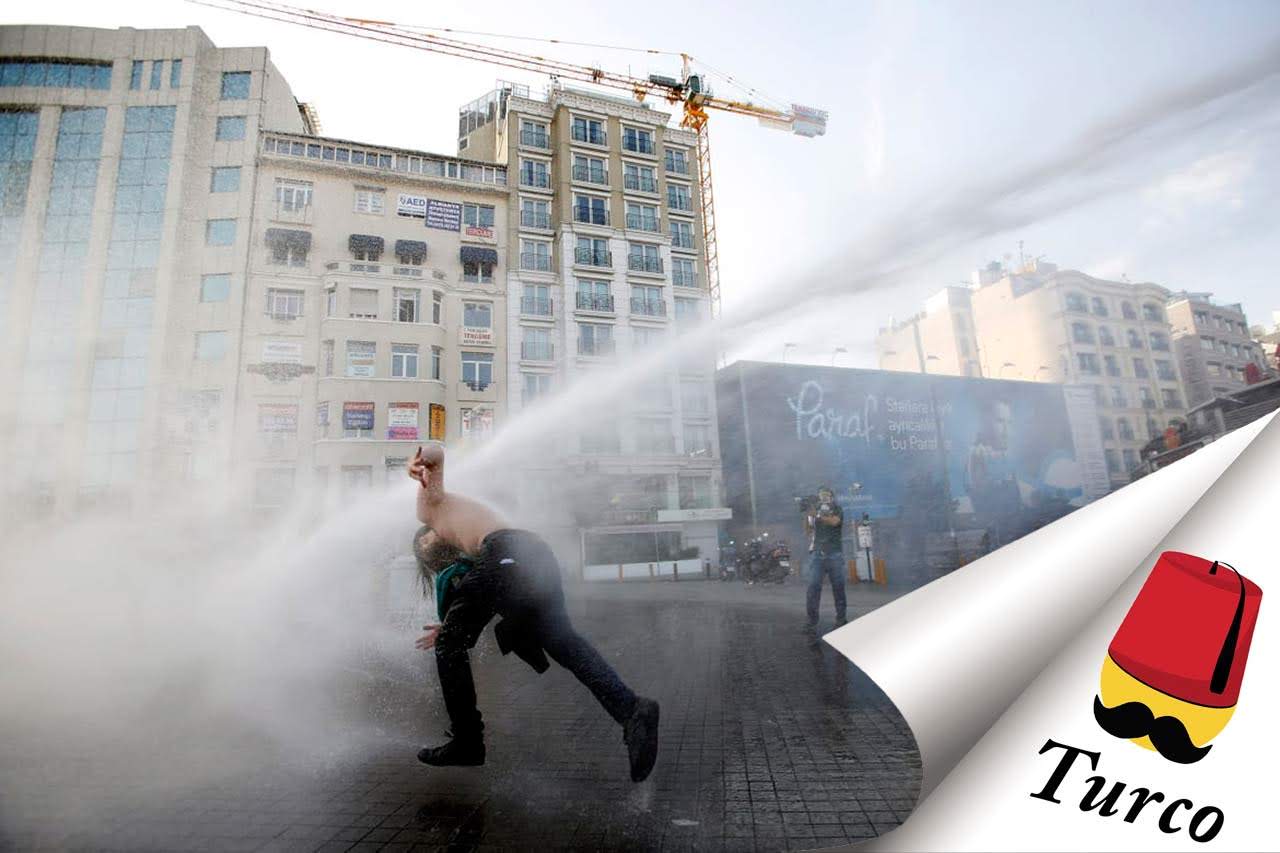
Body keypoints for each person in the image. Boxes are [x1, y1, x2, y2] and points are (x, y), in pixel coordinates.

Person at [407, 444, 660, 783]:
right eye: (424, 552)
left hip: (508, 550)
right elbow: (483, 596)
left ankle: (467, 741)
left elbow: (436, 454)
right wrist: (453, 626)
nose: (426, 546)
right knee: (564, 644)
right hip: (532, 553)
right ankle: (632, 710)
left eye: (422, 542)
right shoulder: (471, 555)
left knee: (451, 645)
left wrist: (422, 460)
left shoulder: (432, 511)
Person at [802, 486, 846, 636]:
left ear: (832, 497)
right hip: (817, 554)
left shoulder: (837, 509)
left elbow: (834, 522)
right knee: (813, 588)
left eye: (827, 494)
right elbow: (808, 531)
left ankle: (841, 619)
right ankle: (811, 621)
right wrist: (809, 514)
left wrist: (818, 515)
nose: (824, 497)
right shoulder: (815, 511)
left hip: (834, 553)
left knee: (838, 588)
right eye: (821, 495)